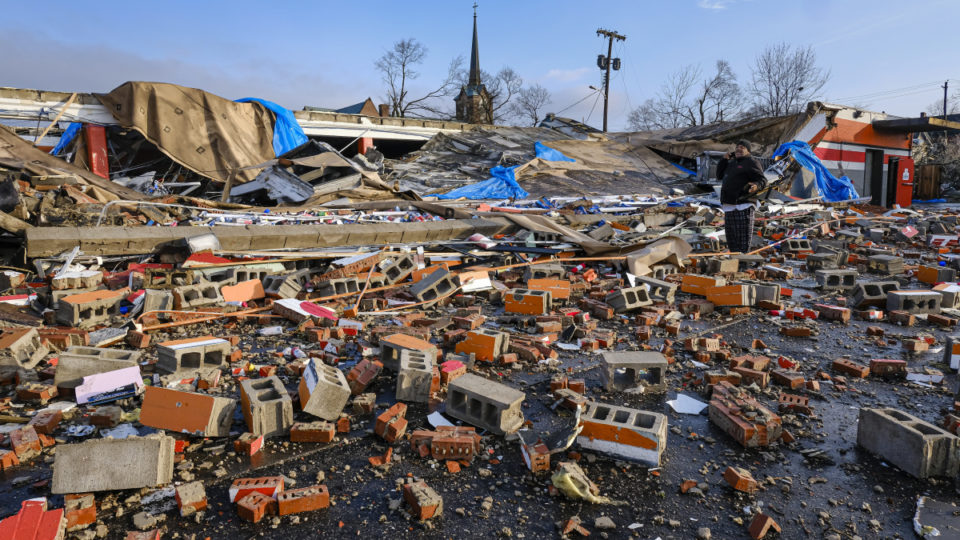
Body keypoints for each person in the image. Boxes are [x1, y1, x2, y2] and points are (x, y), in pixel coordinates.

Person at [717, 140, 767, 254]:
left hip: (744, 204)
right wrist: (724, 160)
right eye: (737, 147)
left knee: (742, 239)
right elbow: (719, 175)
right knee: (731, 238)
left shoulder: (752, 162)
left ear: (748, 150)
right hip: (729, 204)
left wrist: (756, 186)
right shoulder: (732, 163)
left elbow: (762, 180)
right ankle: (734, 262)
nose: (739, 149)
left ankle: (743, 262)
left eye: (742, 147)